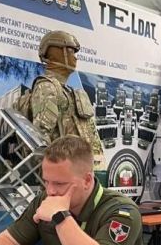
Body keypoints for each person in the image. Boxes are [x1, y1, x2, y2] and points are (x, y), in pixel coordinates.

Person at [0, 135, 147, 245]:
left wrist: (61, 217)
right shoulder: (46, 199)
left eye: (59, 183)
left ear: (87, 180)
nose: (50, 191)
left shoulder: (122, 211)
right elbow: (7, 240)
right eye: (46, 181)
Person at [31, 30, 107, 184]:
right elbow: (40, 139)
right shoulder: (47, 87)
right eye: (71, 51)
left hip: (84, 176)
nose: (75, 57)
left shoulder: (69, 91)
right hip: (67, 180)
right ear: (58, 52)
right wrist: (56, 179)